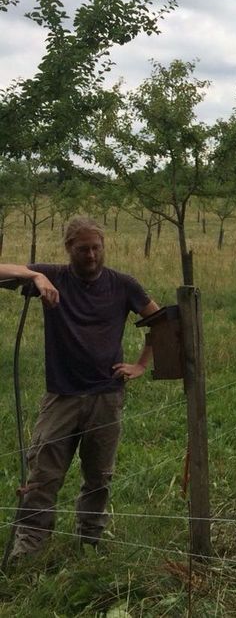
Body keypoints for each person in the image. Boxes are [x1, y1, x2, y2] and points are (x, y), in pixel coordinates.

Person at [1, 216, 159, 562]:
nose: (90, 256)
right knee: (43, 475)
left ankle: (90, 543)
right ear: (68, 248)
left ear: (103, 248)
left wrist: (141, 363)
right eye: (83, 249)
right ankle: (27, 550)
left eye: (96, 248)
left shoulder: (122, 284)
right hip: (62, 396)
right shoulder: (54, 276)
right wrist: (34, 276)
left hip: (106, 395)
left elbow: (160, 322)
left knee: (99, 476)